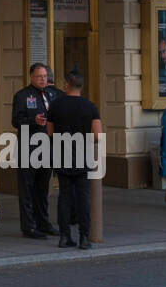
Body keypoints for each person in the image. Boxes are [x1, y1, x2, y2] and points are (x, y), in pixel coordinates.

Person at [47, 70, 101, 249]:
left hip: (62, 153)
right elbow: (97, 135)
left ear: (67, 85)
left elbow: (50, 133)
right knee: (83, 197)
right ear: (81, 86)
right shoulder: (90, 106)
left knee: (64, 196)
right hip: (82, 154)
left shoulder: (55, 105)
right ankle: (84, 238)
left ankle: (64, 236)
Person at [11, 62, 55, 238]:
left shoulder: (52, 94)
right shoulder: (22, 95)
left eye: (45, 76)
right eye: (39, 76)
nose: (43, 79)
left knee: (43, 188)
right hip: (28, 147)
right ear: (31, 77)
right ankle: (28, 227)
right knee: (27, 189)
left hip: (47, 146)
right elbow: (16, 121)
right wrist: (32, 120)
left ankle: (43, 223)